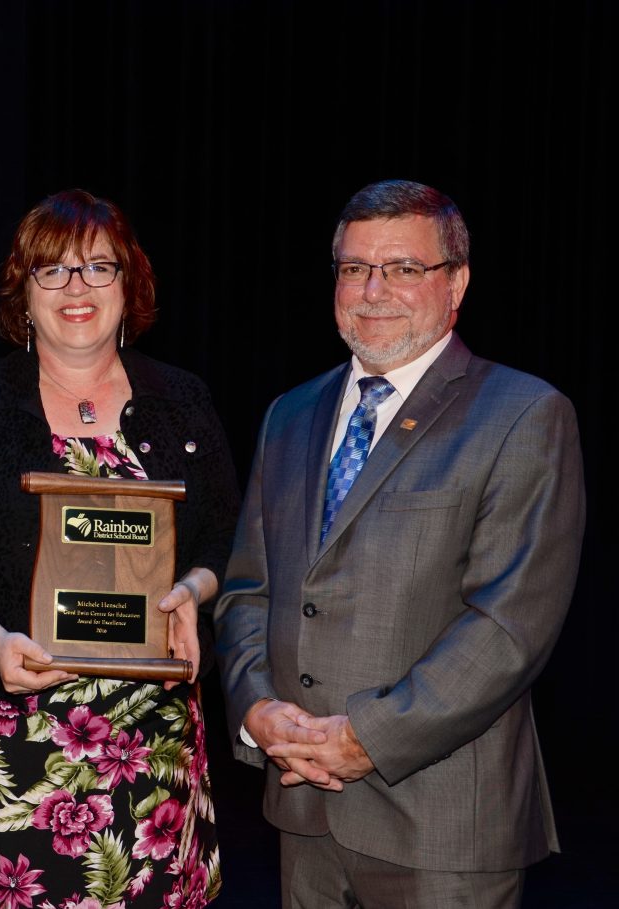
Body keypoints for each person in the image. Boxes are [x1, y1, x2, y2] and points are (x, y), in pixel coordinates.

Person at [214, 180, 585, 908]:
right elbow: (247, 591)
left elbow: (509, 628)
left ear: (457, 282)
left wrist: (367, 738)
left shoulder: (525, 414)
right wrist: (256, 709)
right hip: (303, 809)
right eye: (355, 268)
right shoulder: (289, 415)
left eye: (404, 268)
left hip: (442, 825)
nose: (373, 290)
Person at [0, 189, 239, 908]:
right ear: (22, 293)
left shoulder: (184, 401)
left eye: (98, 267)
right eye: (52, 271)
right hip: (11, 738)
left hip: (152, 750)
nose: (77, 288)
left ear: (130, 283)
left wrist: (195, 593)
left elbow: (227, 537)